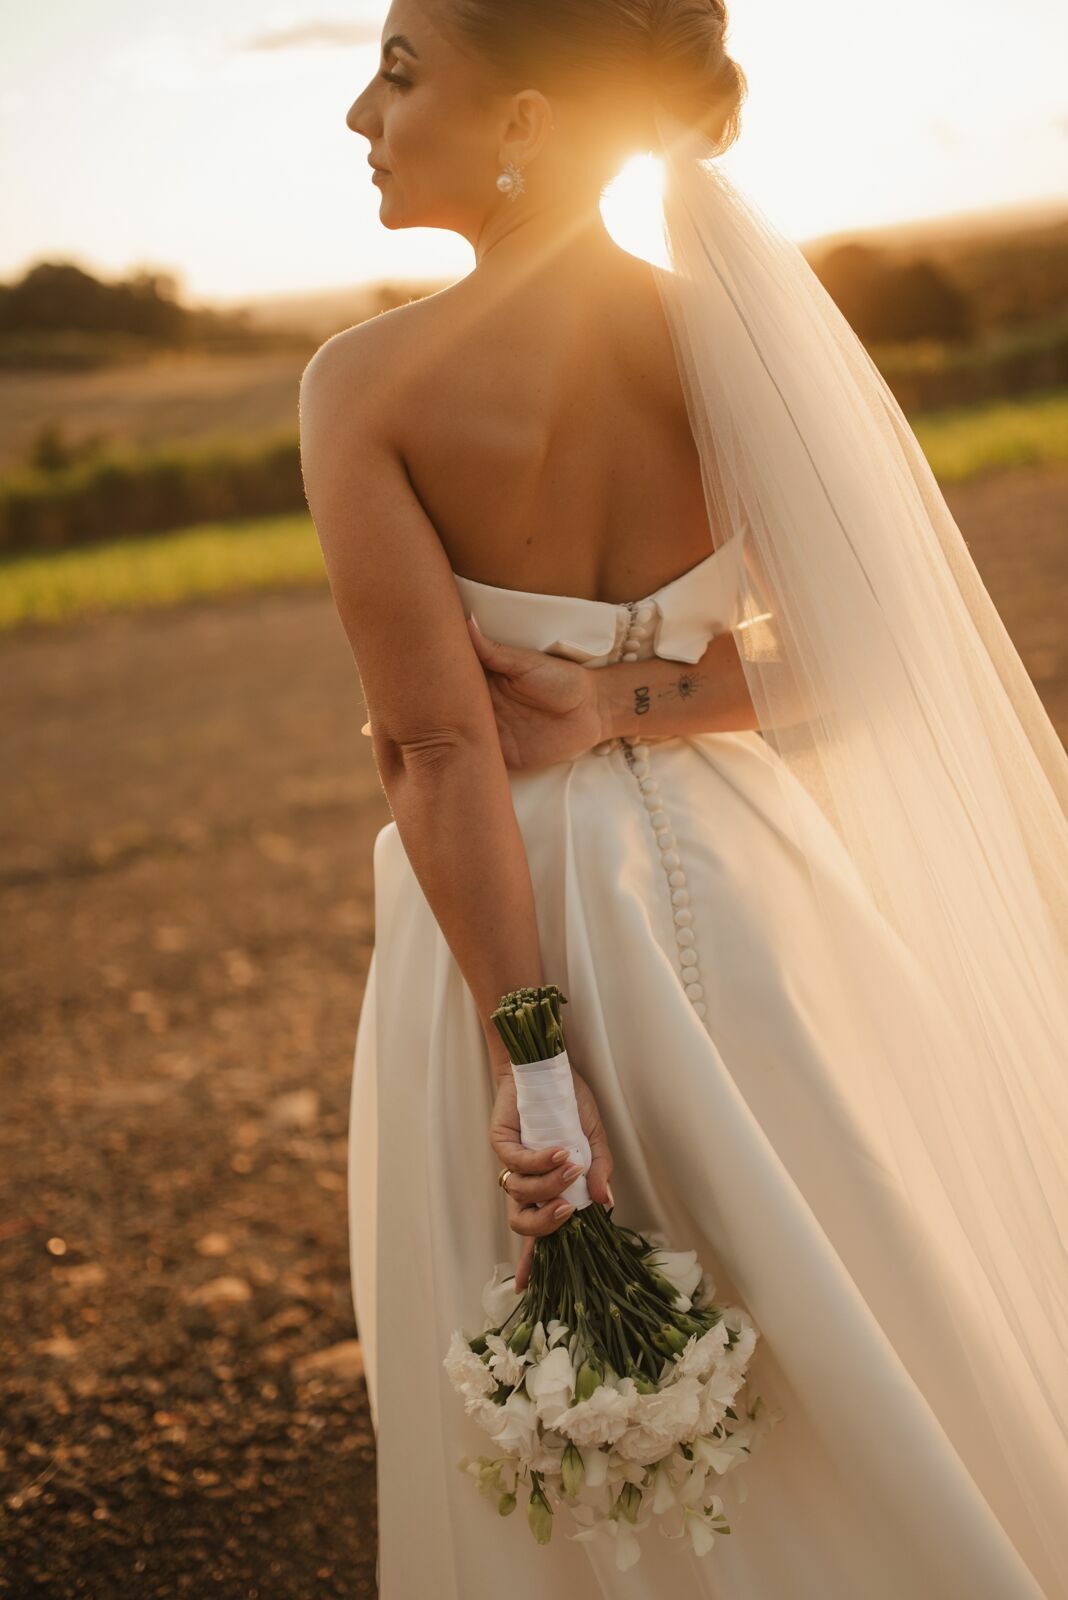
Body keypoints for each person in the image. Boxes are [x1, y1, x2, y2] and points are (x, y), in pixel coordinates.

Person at [297, 2, 1068, 1595]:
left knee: (577, 1412)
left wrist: (539, 1076)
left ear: (519, 121)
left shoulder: (365, 385)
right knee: (855, 1293)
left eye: (399, 70)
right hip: (757, 886)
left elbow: (438, 754)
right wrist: (633, 699)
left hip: (523, 913)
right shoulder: (730, 342)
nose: (359, 114)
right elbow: (864, 661)